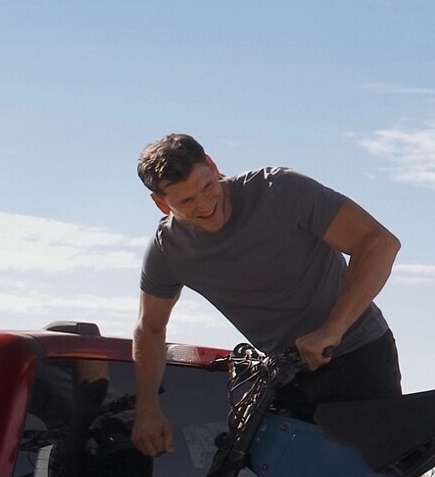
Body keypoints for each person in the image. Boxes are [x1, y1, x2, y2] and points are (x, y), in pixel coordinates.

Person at [128, 133, 405, 459]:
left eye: (207, 186)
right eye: (187, 202)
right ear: (161, 204)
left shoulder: (280, 190)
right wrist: (147, 409)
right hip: (285, 374)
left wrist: (333, 328)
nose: (205, 205)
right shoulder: (168, 250)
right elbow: (149, 328)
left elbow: (378, 243)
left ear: (212, 165)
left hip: (359, 356)